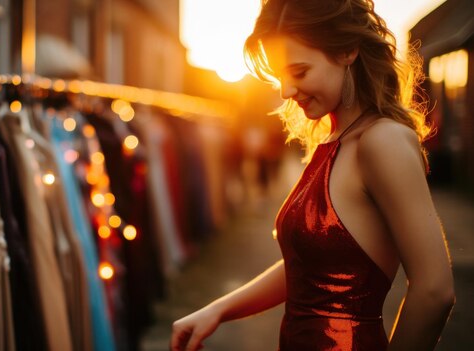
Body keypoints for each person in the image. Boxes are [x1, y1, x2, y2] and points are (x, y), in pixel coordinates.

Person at [170, 0, 456, 350]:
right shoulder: (333, 138)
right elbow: (309, 268)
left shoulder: (382, 141)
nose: (286, 91)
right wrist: (218, 309)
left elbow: (434, 290)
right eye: (279, 77)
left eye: (300, 71)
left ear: (348, 50)